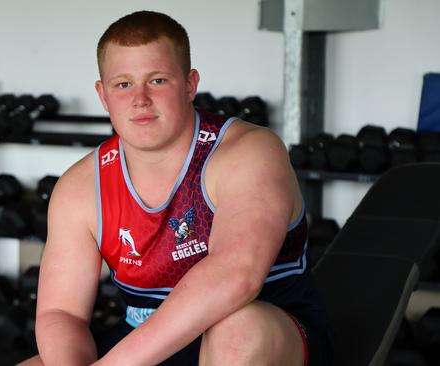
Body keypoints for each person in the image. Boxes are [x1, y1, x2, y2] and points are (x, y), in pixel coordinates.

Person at [20, 10, 333, 366]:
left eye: (157, 81)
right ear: (103, 94)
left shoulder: (248, 152)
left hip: (267, 335)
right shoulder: (81, 187)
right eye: (123, 84)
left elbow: (235, 276)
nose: (140, 99)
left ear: (189, 84)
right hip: (145, 344)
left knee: (238, 331)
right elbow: (62, 313)